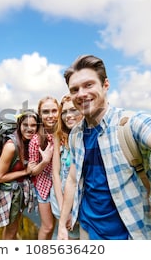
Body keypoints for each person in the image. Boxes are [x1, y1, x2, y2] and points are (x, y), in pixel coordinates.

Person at [57, 54, 151, 240]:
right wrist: (63, 225)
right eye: (74, 89)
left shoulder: (131, 124)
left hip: (131, 233)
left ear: (105, 85)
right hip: (87, 229)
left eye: (88, 85)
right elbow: (73, 178)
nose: (81, 94)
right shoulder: (76, 134)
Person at [0, 111, 39, 239]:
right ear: (19, 125)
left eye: (33, 125)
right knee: (11, 229)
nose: (29, 129)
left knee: (13, 227)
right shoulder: (11, 146)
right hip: (11, 193)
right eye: (25, 125)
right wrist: (25, 172)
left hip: (19, 191)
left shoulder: (29, 142)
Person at [50, 94, 83, 240]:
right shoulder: (59, 136)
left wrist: (73, 211)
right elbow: (56, 174)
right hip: (61, 197)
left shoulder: (88, 136)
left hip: (81, 201)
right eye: (64, 112)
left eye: (73, 110)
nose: (68, 116)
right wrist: (65, 210)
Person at [28, 96, 57, 239]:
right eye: (46, 112)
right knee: (48, 226)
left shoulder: (65, 134)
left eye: (54, 111)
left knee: (58, 224)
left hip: (61, 185)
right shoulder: (37, 139)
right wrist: (44, 161)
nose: (50, 116)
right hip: (44, 185)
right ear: (40, 115)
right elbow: (32, 170)